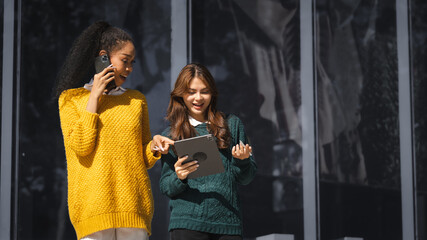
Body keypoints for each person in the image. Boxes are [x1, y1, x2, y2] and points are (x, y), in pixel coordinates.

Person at [56, 21, 173, 240]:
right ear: (104, 57)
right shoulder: (70, 99)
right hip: (92, 209)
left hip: (134, 207)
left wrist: (155, 145)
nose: (129, 69)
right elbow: (81, 146)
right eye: (125, 61)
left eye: (132, 63)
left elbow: (144, 158)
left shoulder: (136, 100)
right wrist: (94, 98)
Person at [159, 63, 257, 240]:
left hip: (228, 224)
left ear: (212, 93)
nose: (198, 98)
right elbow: (166, 187)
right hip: (187, 223)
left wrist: (242, 161)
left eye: (204, 91)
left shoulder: (232, 125)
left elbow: (247, 178)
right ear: (181, 94)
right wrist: (179, 177)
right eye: (191, 92)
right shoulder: (171, 135)